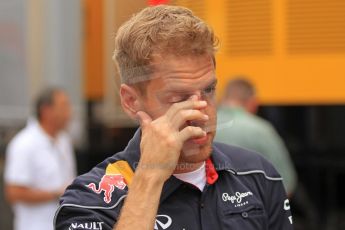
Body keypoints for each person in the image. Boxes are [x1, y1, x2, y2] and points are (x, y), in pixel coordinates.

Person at [55, 5, 293, 230]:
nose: (201, 112)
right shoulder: (89, 198)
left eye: (209, 90)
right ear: (130, 101)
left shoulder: (257, 174)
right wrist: (149, 176)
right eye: (179, 98)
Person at [4, 87, 77, 230]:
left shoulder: (64, 140)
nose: (69, 112)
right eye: (63, 106)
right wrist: (56, 194)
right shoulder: (23, 144)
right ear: (46, 111)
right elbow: (13, 192)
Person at [215, 78, 298, 196]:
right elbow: (285, 181)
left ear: (222, 99)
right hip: (251, 207)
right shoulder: (262, 130)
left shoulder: (203, 127)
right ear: (253, 102)